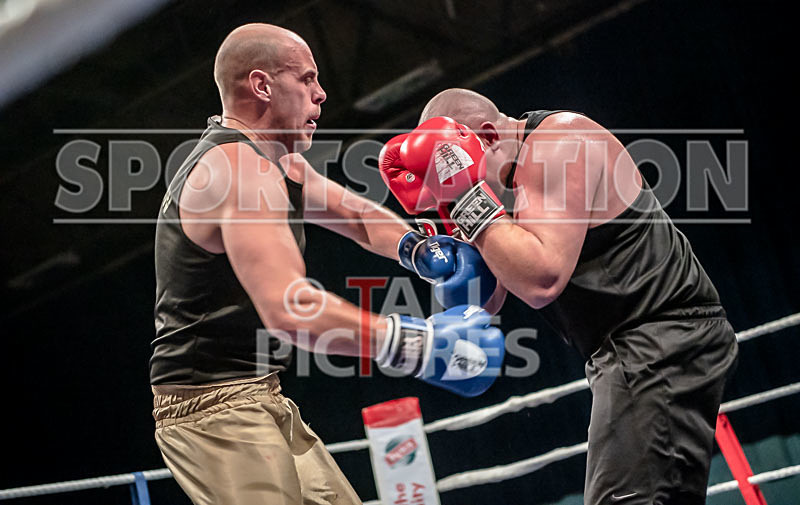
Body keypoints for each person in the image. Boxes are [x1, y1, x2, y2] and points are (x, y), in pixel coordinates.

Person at [150, 28, 504, 505]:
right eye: (307, 78)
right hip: (212, 412)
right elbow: (288, 310)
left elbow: (358, 217)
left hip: (262, 392)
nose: (321, 93)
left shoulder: (281, 164)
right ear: (262, 86)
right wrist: (415, 347)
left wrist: (420, 250)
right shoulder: (237, 172)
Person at [378, 88, 739, 505]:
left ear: (490, 136)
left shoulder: (558, 143)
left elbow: (541, 280)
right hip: (631, 349)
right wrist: (446, 235)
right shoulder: (497, 181)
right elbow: (485, 300)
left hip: (661, 337)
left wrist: (463, 196)